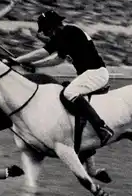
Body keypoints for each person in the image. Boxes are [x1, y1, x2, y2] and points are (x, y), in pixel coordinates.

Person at [8, 10, 114, 146]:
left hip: (95, 73)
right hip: (89, 74)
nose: (46, 34)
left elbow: (44, 52)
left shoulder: (68, 32)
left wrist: (17, 60)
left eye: (46, 31)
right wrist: (34, 65)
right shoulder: (65, 35)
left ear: (52, 27)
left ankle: (102, 128)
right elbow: (57, 59)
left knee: (69, 93)